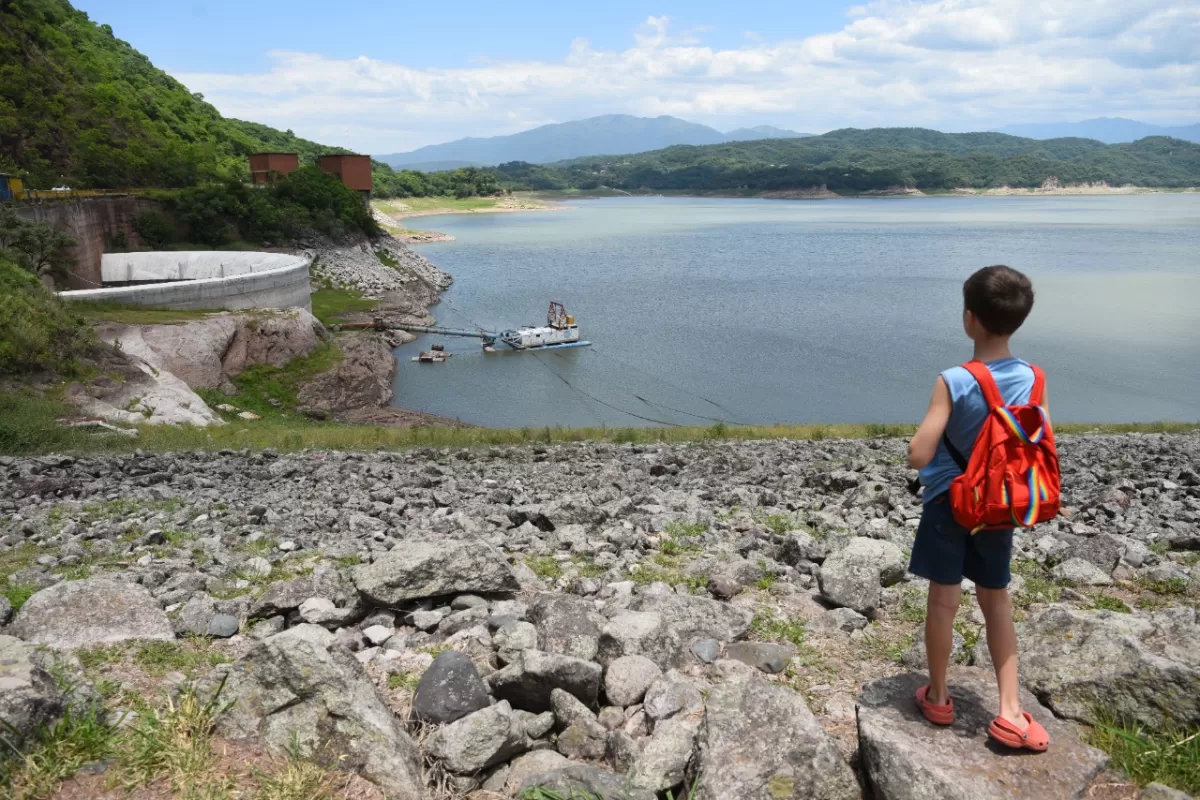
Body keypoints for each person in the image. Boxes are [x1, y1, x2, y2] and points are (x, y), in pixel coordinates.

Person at [905, 264, 1050, 752]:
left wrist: (918, 448)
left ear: (969, 318)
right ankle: (1009, 711)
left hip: (951, 503)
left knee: (944, 601)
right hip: (1001, 506)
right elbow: (1038, 441)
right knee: (997, 600)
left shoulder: (955, 379)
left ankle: (940, 696)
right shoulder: (1034, 377)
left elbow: (920, 453)